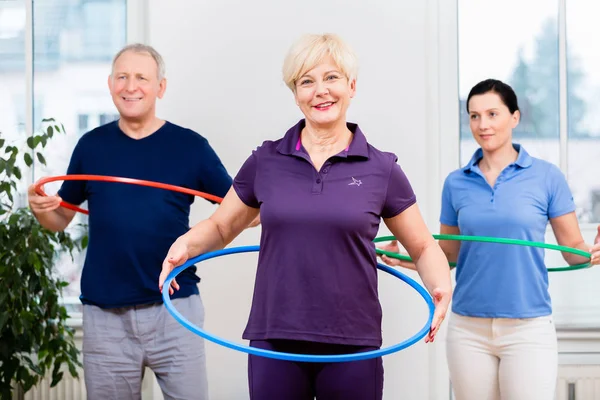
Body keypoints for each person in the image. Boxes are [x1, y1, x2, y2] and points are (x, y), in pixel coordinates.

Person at [159, 33, 452, 400]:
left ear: (351, 86)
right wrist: (183, 246)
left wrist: (439, 285)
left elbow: (423, 246)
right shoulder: (265, 161)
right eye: (306, 81)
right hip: (275, 337)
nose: (320, 91)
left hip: (353, 341)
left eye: (331, 78)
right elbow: (221, 225)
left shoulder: (382, 168)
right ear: (295, 93)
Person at [27, 43, 243, 400]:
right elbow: (60, 219)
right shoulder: (91, 146)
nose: (131, 86)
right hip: (105, 315)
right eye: (122, 77)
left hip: (175, 308)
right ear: (110, 84)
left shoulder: (190, 146)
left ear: (160, 87)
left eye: (142, 77)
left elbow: (240, 207)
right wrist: (39, 207)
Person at [379, 78, 600, 400]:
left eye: (493, 114)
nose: (483, 124)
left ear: (515, 117)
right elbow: (449, 257)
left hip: (529, 327)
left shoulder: (546, 177)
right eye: (474, 115)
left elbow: (573, 252)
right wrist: (401, 256)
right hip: (468, 327)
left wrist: (593, 253)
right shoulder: (456, 183)